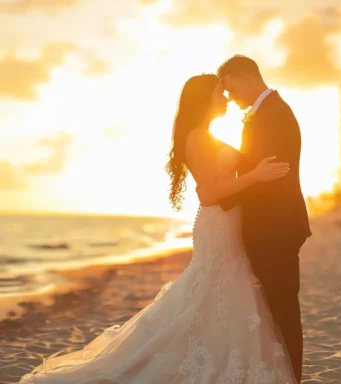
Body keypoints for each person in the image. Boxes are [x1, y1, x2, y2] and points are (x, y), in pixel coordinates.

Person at [20, 74, 296, 383]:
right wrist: (256, 175)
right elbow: (209, 192)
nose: (227, 98)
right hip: (218, 224)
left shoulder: (206, 135)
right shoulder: (196, 137)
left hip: (229, 222)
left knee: (224, 287)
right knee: (217, 284)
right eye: (221, 93)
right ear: (205, 98)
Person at [217, 54, 312, 382]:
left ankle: (291, 378)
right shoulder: (267, 112)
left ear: (244, 77)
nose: (230, 98)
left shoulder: (273, 115)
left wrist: (220, 196)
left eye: (230, 89)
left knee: (282, 308)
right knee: (274, 309)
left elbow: (269, 177)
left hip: (276, 228)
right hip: (272, 225)